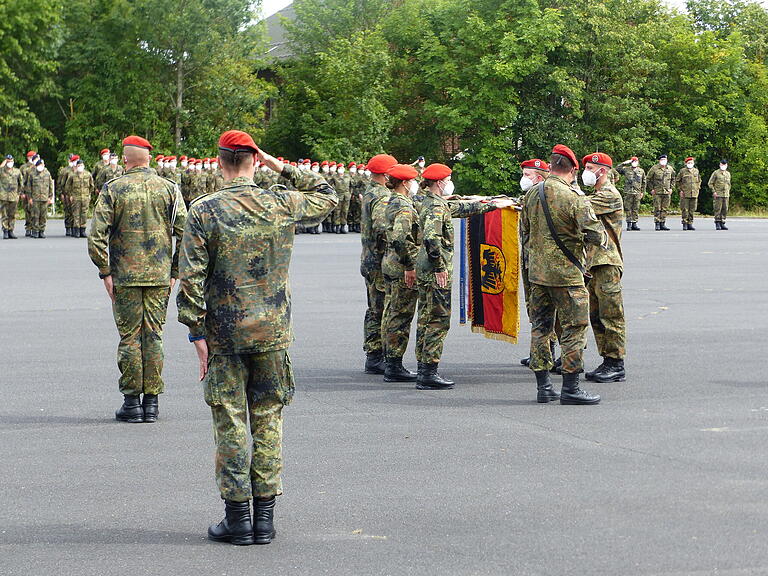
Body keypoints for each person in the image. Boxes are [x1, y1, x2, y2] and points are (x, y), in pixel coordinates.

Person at [177, 130, 337, 546]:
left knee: (230, 421)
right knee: (268, 420)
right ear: (253, 160)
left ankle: (238, 519)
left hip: (225, 335)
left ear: (219, 162)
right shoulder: (280, 201)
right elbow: (328, 194)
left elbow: (190, 275)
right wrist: (278, 164)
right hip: (272, 332)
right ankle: (264, 519)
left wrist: (195, 330)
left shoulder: (204, 210)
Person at [87, 135, 187, 424]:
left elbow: (96, 237)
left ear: (126, 159)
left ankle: (132, 402)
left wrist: (105, 271)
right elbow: (187, 234)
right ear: (149, 159)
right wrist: (174, 272)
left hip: (126, 277)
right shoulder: (169, 189)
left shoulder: (113, 189)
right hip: (158, 277)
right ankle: (152, 403)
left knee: (130, 338)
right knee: (154, 335)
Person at [520, 144, 606, 405]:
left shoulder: (533, 194)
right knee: (574, 329)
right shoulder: (574, 197)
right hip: (567, 275)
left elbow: (524, 232)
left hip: (537, 274)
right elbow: (596, 234)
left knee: (540, 329)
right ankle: (571, 387)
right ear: (573, 169)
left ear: (552, 166)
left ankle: (544, 387)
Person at [415, 163, 512, 389]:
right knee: (437, 320)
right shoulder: (436, 208)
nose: (450, 183)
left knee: (425, 318)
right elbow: (431, 238)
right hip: (434, 271)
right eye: (448, 179)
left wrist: (491, 205)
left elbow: (461, 208)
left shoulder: (428, 201)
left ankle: (424, 367)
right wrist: (440, 267)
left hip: (425, 269)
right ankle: (428, 372)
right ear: (440, 183)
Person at [581, 153, 626, 383]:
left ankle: (616, 362)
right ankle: (606, 360)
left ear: (603, 171)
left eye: (591, 167)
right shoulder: (597, 194)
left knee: (611, 314)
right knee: (596, 315)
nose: (586, 171)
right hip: (594, 262)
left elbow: (578, 207)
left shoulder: (609, 195)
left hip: (607, 261)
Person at [380, 164, 421, 382]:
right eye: (413, 181)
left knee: (391, 312)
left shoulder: (393, 200)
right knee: (401, 315)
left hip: (390, 263)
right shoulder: (404, 206)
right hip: (400, 267)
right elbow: (399, 237)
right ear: (405, 183)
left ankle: (390, 361)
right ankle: (394, 365)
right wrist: (410, 265)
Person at [360, 154, 398, 374]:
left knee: (375, 308)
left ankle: (374, 354)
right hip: (380, 261)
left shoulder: (370, 191)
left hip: (370, 259)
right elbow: (382, 226)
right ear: (385, 175)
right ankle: (377, 355)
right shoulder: (382, 195)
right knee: (382, 308)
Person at [518, 159, 553, 368]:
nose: (524, 179)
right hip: (530, 261)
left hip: (543, 263)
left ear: (539, 177)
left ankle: (549, 353)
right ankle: (540, 352)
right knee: (534, 308)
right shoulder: (530, 196)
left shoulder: (547, 197)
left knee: (547, 311)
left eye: (527, 175)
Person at [64, 159, 96, 238]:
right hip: (76, 197)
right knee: (76, 214)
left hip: (85, 197)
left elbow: (92, 186)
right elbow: (67, 186)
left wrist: (89, 194)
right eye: (78, 166)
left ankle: (83, 229)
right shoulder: (72, 175)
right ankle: (76, 230)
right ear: (76, 166)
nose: (80, 167)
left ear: (83, 166)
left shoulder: (88, 175)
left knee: (84, 214)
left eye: (81, 165)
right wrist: (70, 195)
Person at [25, 158, 54, 238]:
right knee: (35, 215)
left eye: (42, 165)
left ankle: (41, 230)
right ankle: (35, 231)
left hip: (44, 198)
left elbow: (50, 186)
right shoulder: (32, 174)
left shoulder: (47, 174)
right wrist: (29, 198)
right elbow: (28, 187)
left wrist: (50, 197)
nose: (41, 166)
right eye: (39, 165)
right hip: (35, 198)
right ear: (36, 166)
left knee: (43, 216)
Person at [616, 156, 645, 230]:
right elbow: (617, 169)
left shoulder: (641, 171)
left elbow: (644, 182)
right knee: (628, 208)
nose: (634, 163)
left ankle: (634, 223)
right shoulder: (626, 169)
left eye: (635, 161)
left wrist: (642, 192)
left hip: (637, 192)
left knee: (636, 208)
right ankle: (629, 223)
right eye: (633, 161)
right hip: (628, 192)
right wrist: (624, 163)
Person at [646, 154, 675, 230]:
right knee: (657, 208)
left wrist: (671, 188)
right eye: (662, 160)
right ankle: (657, 223)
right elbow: (648, 179)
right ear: (659, 160)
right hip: (657, 192)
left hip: (667, 192)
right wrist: (651, 189)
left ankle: (663, 223)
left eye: (665, 159)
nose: (663, 161)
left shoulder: (670, 169)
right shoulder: (654, 168)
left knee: (665, 208)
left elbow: (673, 179)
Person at [1, 155, 23, 239]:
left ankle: (11, 230)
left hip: (14, 196)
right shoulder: (2, 171)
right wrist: (4, 162)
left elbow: (21, 183)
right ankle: (5, 231)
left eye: (11, 161)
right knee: (4, 214)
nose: (10, 162)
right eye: (8, 161)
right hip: (4, 196)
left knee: (12, 215)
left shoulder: (17, 171)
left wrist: (19, 194)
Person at [676, 156, 701, 230]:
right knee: (685, 209)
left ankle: (690, 223)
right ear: (686, 163)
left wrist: (698, 188)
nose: (690, 164)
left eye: (691, 163)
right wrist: (680, 190)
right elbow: (677, 181)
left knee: (692, 209)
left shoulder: (696, 171)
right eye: (688, 163)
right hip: (685, 193)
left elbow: (699, 180)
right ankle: (685, 223)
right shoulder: (682, 171)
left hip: (694, 193)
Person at [708, 159, 731, 230]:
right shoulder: (716, 173)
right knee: (718, 209)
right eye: (722, 165)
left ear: (726, 165)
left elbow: (729, 184)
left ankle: (722, 222)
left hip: (726, 194)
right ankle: (717, 222)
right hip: (718, 194)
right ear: (720, 165)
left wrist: (728, 191)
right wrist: (714, 191)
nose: (723, 166)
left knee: (725, 209)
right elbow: (710, 183)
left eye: (724, 165)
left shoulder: (728, 173)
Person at [57, 154, 76, 236]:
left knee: (75, 211)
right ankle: (68, 227)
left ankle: (74, 227)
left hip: (76, 194)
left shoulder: (78, 170)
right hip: (66, 194)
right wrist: (61, 193)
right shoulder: (64, 171)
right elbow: (60, 183)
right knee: (68, 211)